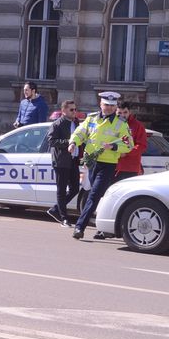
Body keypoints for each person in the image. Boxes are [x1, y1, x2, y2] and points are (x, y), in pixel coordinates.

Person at [68, 91, 133, 241]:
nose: (109, 108)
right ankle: (104, 226)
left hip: (108, 164)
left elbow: (129, 145)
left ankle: (80, 227)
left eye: (112, 106)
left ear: (115, 107)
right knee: (96, 195)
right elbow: (80, 133)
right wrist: (73, 143)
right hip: (91, 162)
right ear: (100, 104)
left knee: (94, 194)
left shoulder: (121, 124)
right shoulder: (91, 119)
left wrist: (114, 147)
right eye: (106, 105)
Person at [89, 101, 149, 239]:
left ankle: (124, 228)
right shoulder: (110, 124)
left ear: (130, 112)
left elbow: (141, 146)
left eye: (125, 112)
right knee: (108, 198)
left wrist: (126, 153)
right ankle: (105, 229)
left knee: (125, 199)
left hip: (129, 168)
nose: (122, 115)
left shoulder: (137, 126)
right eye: (119, 112)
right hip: (112, 166)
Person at [45, 99, 80, 227]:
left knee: (75, 188)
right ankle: (64, 218)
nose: (74, 112)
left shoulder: (76, 123)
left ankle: (55, 209)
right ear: (64, 110)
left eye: (75, 109)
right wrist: (68, 142)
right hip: (61, 161)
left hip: (74, 160)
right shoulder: (57, 124)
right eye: (71, 109)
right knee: (61, 189)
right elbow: (51, 141)